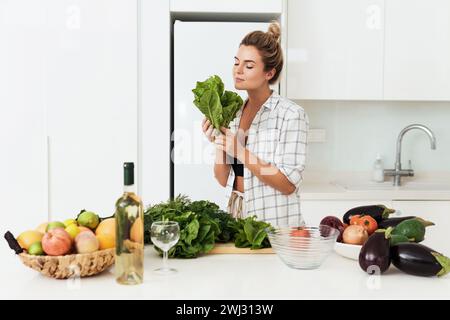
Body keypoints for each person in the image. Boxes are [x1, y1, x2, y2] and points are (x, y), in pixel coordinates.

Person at [201, 21, 309, 226]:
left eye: (249, 66)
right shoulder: (233, 112)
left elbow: (288, 184)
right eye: (236, 62)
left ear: (269, 73)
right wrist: (219, 143)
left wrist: (240, 151)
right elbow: (223, 179)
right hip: (236, 218)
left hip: (274, 227)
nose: (238, 70)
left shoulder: (291, 115)